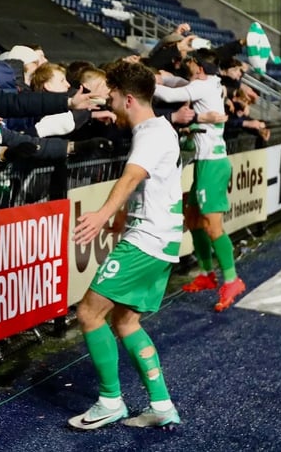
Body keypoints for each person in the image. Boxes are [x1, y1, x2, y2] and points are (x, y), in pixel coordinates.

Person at [71, 60, 182, 430]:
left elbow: (133, 175)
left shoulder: (151, 134)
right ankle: (162, 405)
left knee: (88, 313)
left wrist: (103, 214)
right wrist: (121, 216)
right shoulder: (159, 128)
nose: (111, 105)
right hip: (161, 240)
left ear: (129, 98)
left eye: (114, 98)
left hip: (146, 240)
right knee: (126, 320)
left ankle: (109, 401)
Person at [153, 49, 245, 311]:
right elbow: (179, 84)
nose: (188, 69)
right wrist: (166, 78)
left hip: (212, 164)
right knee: (193, 219)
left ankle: (232, 279)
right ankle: (207, 273)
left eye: (192, 66)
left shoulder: (203, 86)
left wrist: (148, 84)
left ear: (201, 69)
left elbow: (174, 94)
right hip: (206, 162)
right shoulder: (211, 83)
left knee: (212, 226)